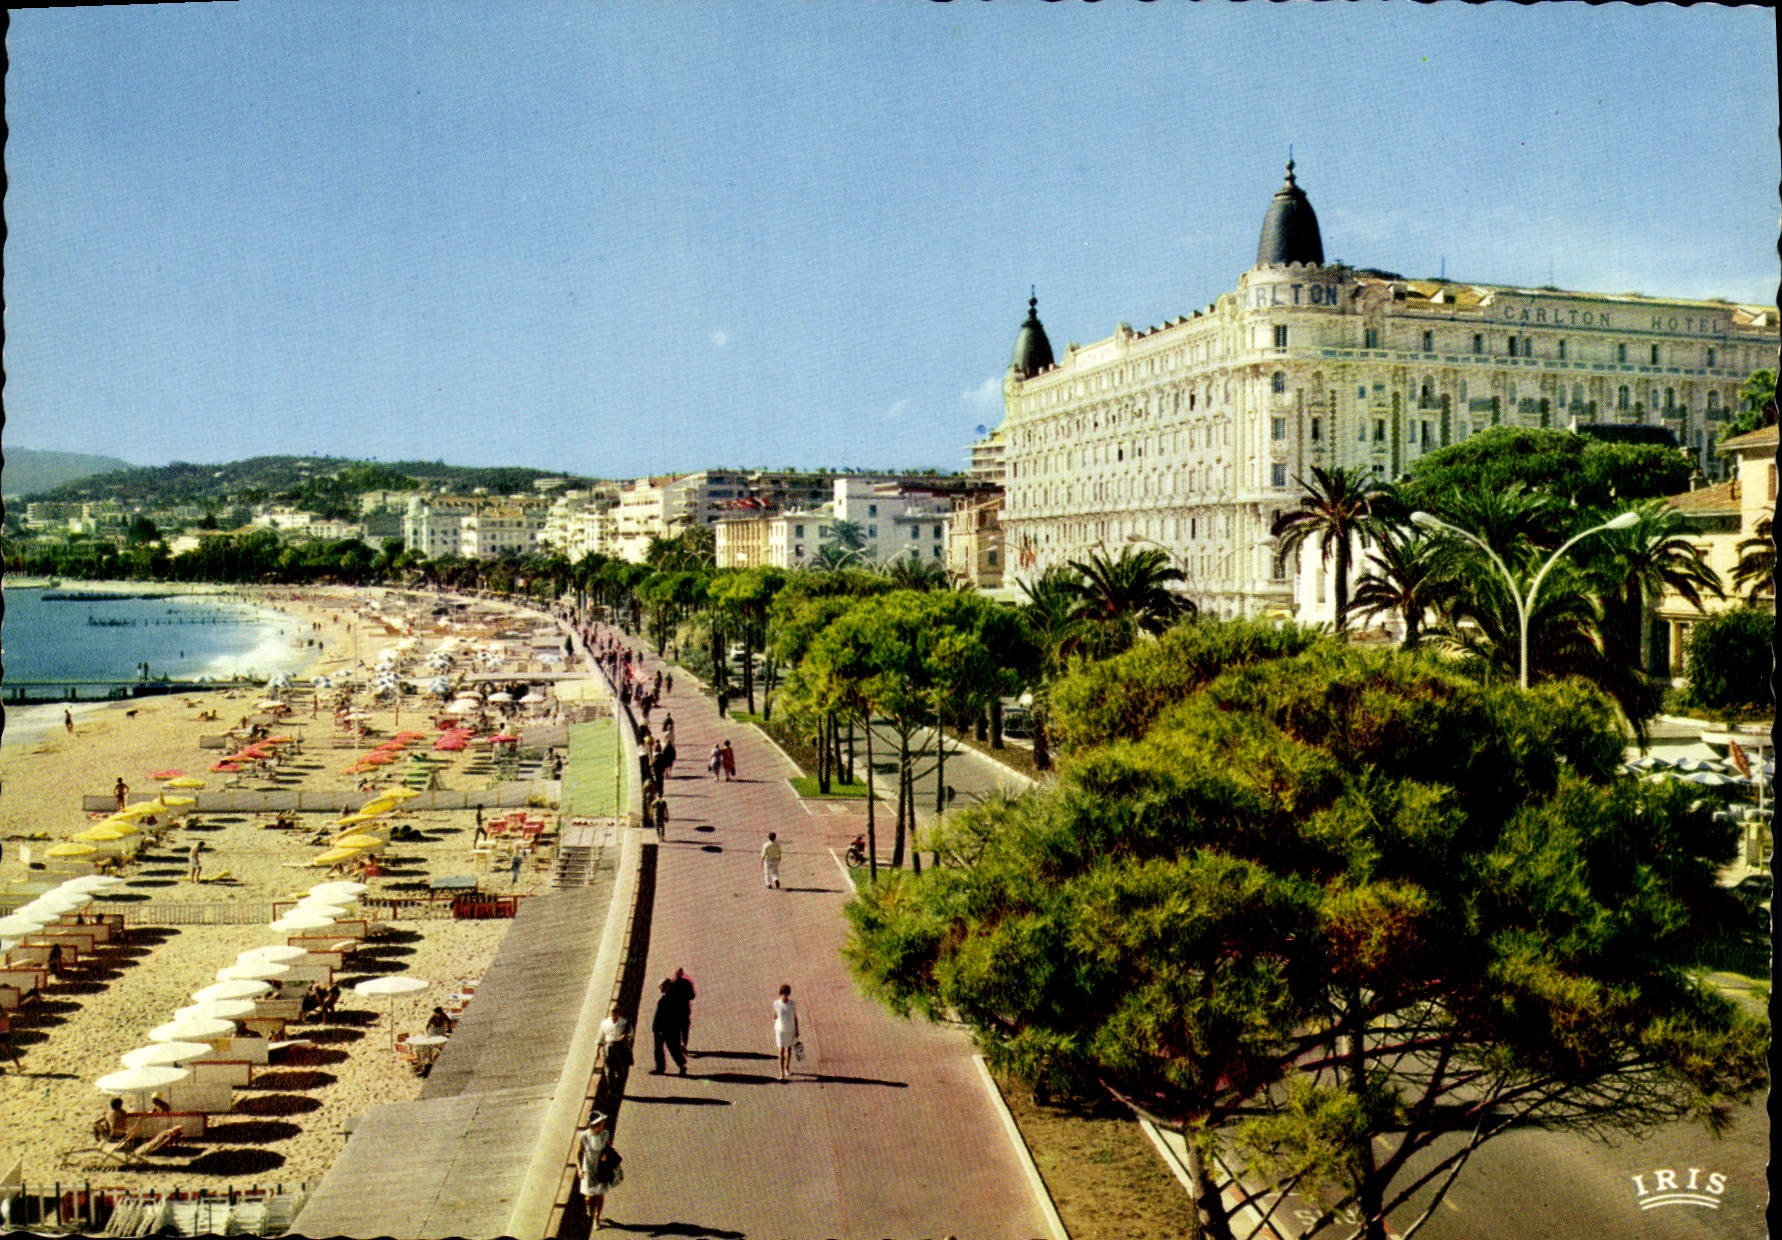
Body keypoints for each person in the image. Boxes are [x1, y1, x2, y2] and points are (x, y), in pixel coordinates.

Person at [578, 1112, 621, 1229]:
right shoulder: (584, 1136)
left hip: (601, 1168)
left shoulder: (605, 1134)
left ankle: (596, 1218)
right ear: (596, 1125)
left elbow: (608, 1148)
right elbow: (579, 1153)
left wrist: (606, 1156)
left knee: (600, 1195)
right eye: (602, 1123)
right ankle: (589, 1213)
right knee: (588, 1197)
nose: (604, 1124)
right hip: (588, 1169)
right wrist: (579, 1168)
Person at [649, 978, 687, 1075]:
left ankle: (681, 1065)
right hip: (660, 1028)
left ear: (667, 986)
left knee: (672, 1048)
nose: (660, 988)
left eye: (661, 986)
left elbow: (668, 1015)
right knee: (659, 1049)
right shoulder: (669, 996)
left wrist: (661, 1028)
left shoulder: (671, 997)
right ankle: (661, 1068)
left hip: (666, 1029)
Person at [597, 1003, 632, 1077]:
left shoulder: (624, 1023)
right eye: (612, 1011)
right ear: (609, 1013)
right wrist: (598, 1051)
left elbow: (629, 1034)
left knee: (621, 1070)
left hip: (621, 1047)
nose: (614, 1014)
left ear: (619, 1013)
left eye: (616, 1011)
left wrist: (624, 1037)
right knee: (609, 1070)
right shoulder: (605, 1023)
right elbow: (600, 1038)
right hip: (609, 1048)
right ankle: (611, 1086)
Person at [773, 983, 800, 1081]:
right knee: (781, 1051)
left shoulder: (792, 1004)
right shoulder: (776, 1004)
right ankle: (782, 1074)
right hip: (780, 1030)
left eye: (786, 994)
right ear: (780, 994)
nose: (784, 995)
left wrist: (797, 1030)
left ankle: (787, 1067)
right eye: (782, 993)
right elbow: (775, 1015)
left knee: (789, 1050)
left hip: (790, 1029)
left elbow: (795, 1017)